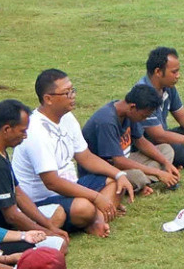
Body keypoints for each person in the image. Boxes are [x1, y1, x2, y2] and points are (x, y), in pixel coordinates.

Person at [12, 70, 123, 238]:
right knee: (84, 207)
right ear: (48, 99)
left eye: (72, 90)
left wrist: (120, 174)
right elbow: (52, 183)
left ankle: (96, 220)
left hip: (71, 187)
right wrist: (96, 197)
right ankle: (93, 218)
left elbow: (85, 157)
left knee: (115, 183)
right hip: (44, 199)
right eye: (66, 92)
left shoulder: (67, 118)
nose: (72, 96)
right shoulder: (35, 131)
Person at [0, 100, 72, 237]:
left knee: (58, 213)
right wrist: (45, 233)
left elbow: (19, 194)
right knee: (59, 245)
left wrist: (49, 226)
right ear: (7, 129)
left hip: (11, 222)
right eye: (22, 131)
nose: (25, 136)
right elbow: (11, 216)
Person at [83, 84, 181, 192]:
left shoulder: (129, 113)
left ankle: (143, 183)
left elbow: (141, 141)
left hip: (127, 159)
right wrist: (157, 172)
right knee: (137, 176)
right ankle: (142, 182)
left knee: (166, 150)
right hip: (106, 169)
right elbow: (118, 162)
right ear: (132, 107)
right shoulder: (106, 121)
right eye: (143, 116)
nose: (144, 120)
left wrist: (165, 163)